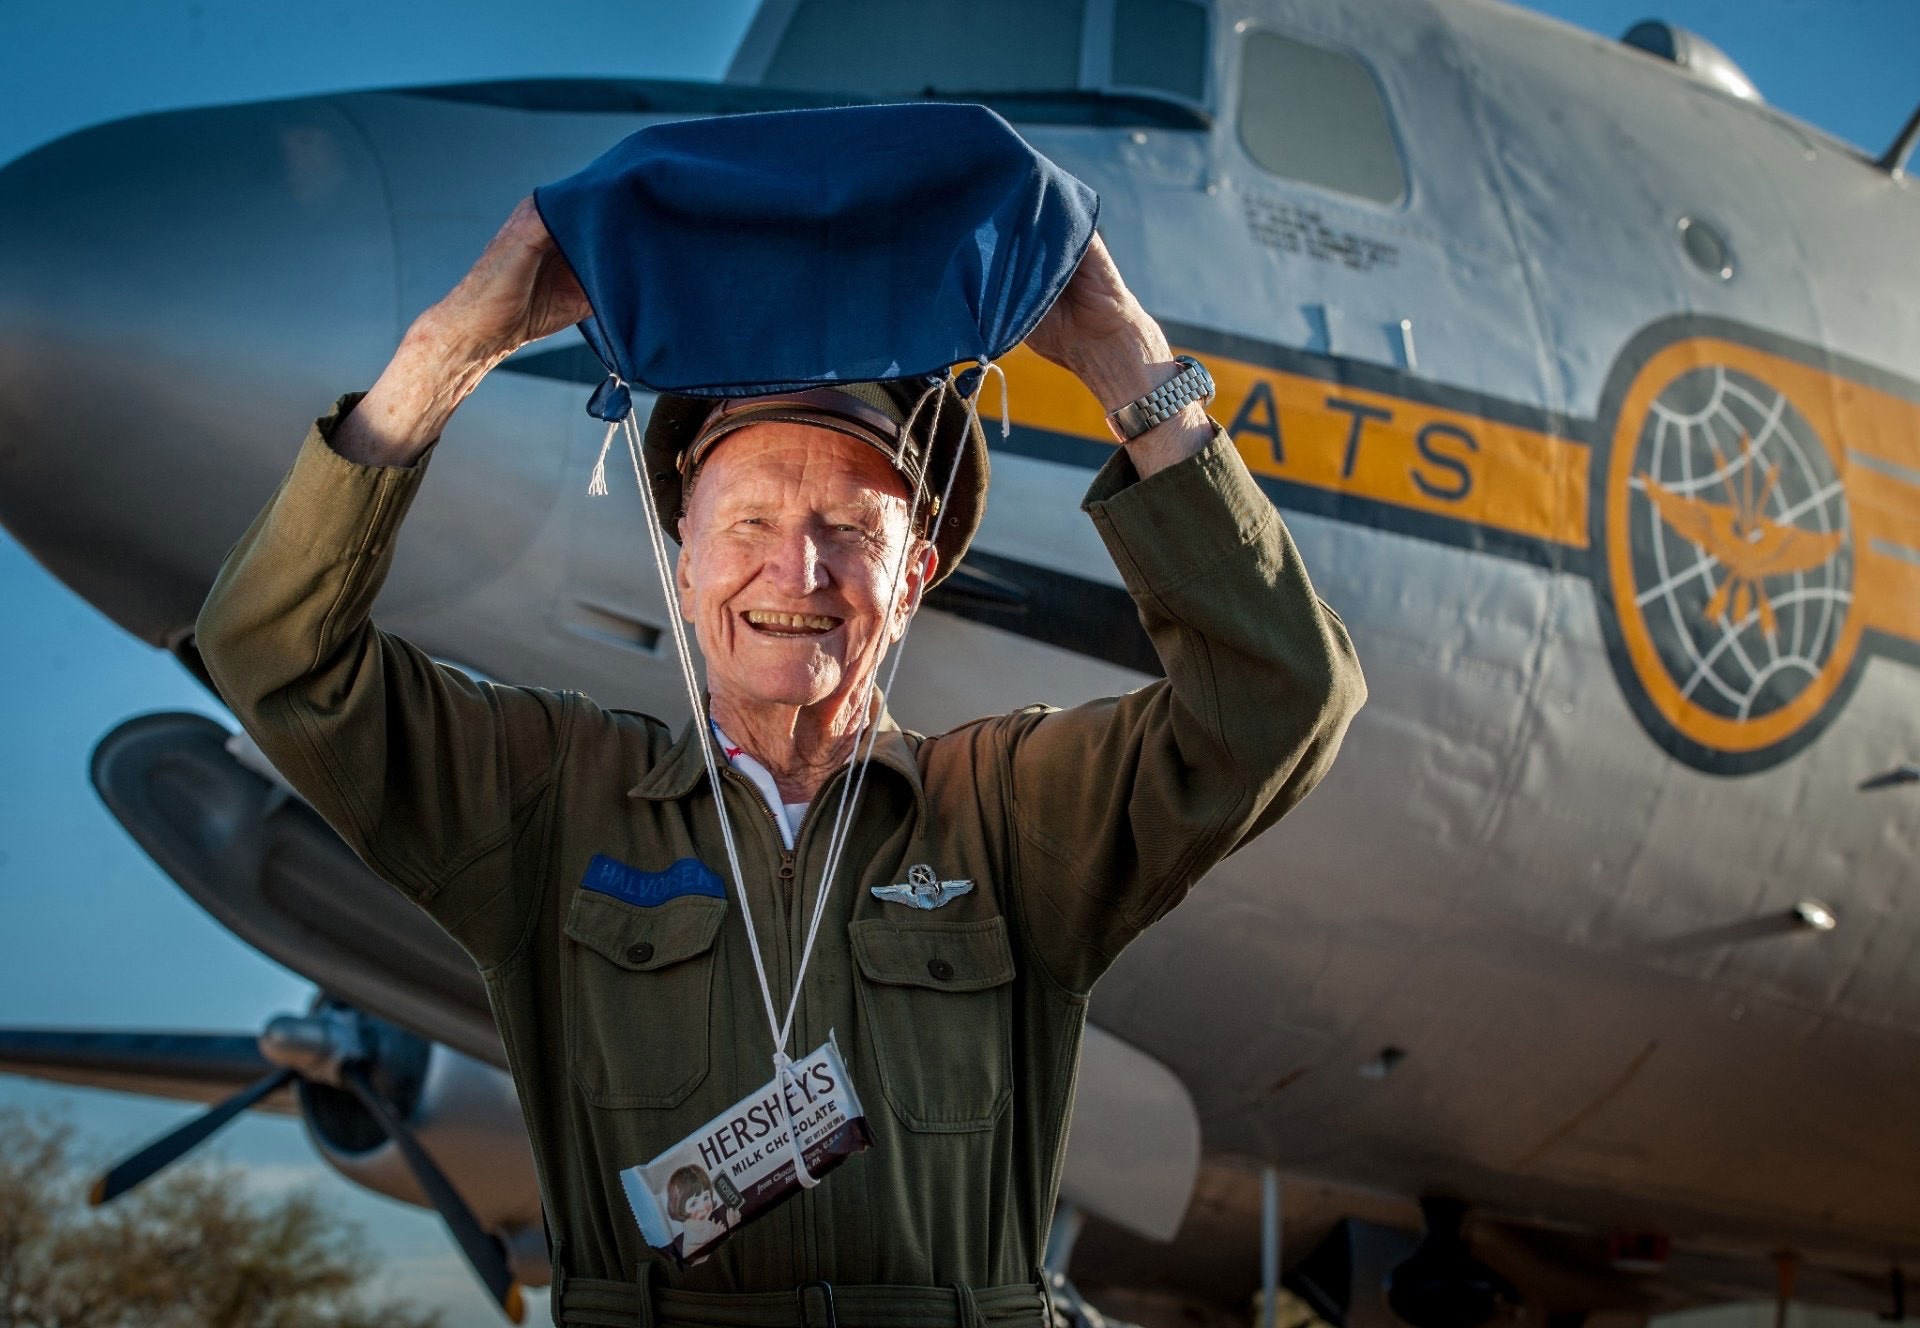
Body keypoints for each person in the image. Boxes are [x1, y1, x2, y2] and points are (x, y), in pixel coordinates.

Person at [195, 196, 1365, 1327]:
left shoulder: (1012, 819)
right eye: (748, 522)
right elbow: (272, 656)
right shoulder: (553, 804)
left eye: (851, 532)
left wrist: (1125, 361)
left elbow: (1283, 699)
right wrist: (445, 354)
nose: (795, 574)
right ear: (685, 552)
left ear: (912, 580)